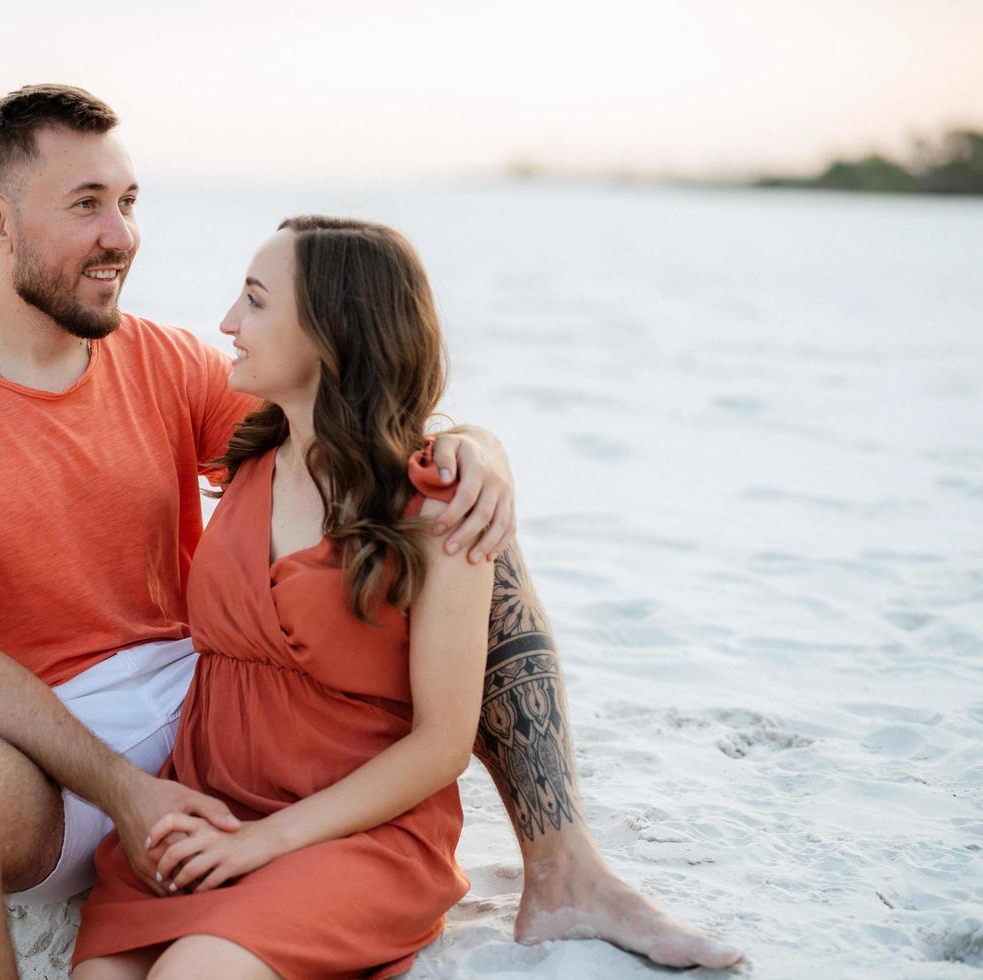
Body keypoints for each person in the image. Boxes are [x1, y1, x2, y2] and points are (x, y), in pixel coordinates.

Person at [0, 85, 515, 980]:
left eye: (127, 202)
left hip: (203, 703)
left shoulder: (168, 361)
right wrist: (127, 794)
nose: (121, 234)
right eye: (87, 205)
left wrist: (478, 448)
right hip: (54, 743)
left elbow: (359, 424)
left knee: (471, 518)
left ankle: (562, 844)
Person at [70, 219, 745, 978]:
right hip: (209, 811)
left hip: (351, 839)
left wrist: (264, 841)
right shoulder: (251, 454)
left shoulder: (431, 508)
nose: (227, 322)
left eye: (255, 302)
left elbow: (441, 742)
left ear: (332, 331)